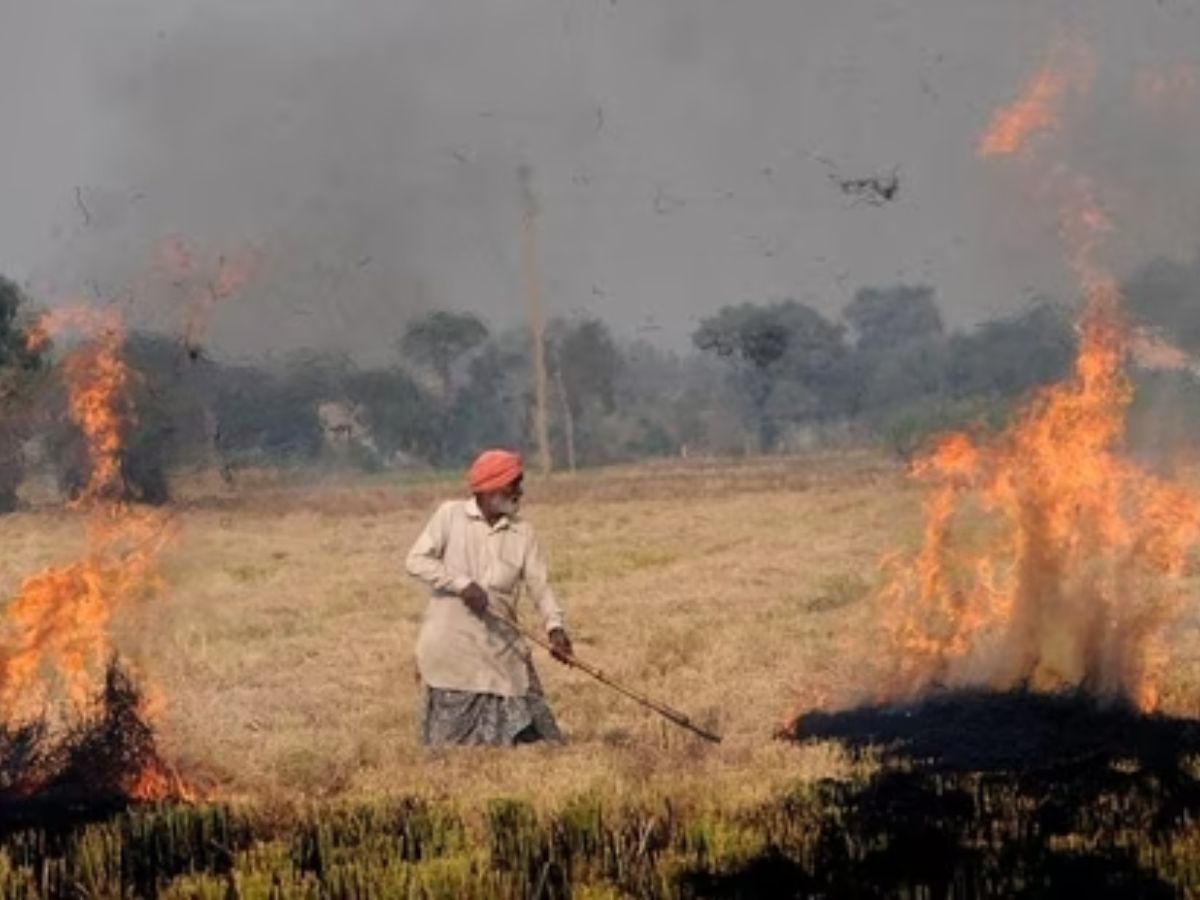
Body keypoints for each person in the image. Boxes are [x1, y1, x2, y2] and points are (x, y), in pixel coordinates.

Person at [405, 448, 574, 746]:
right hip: (453, 647)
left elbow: (540, 586)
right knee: (452, 752)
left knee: (537, 744)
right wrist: (461, 584)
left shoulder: (523, 533)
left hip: (502, 647)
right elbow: (416, 560)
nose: (519, 492)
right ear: (489, 488)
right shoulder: (450, 516)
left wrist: (555, 627)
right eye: (513, 485)